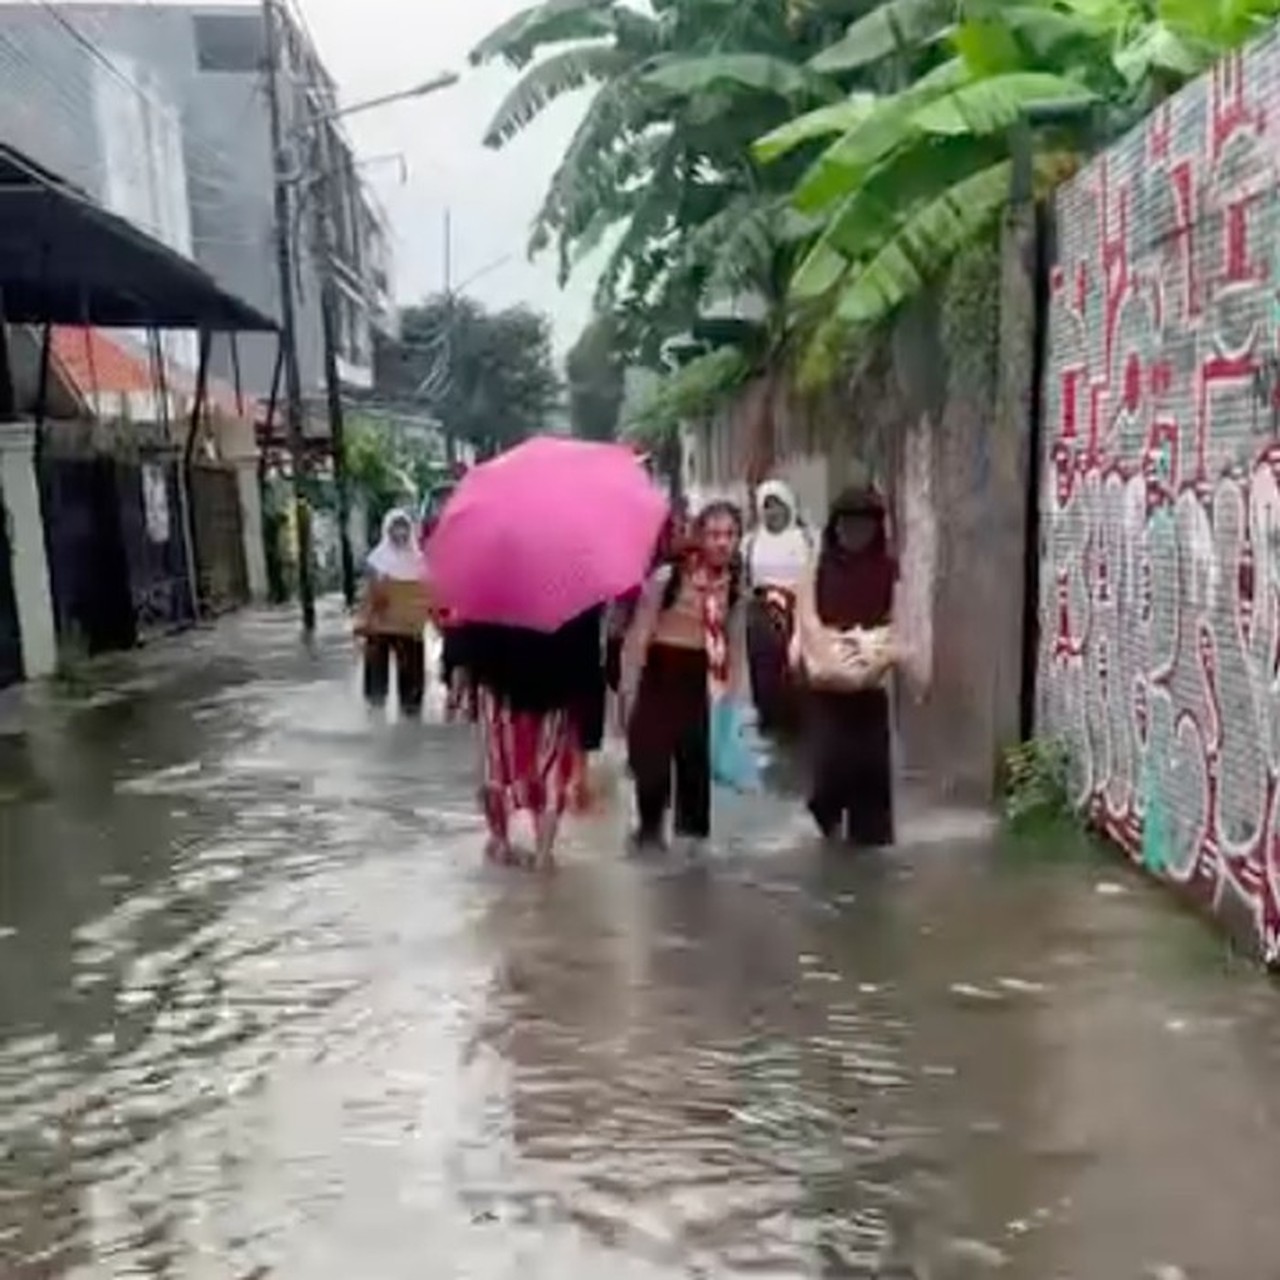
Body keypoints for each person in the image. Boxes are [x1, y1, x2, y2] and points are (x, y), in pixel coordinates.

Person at [620, 500, 748, 853]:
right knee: (652, 774)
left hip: (697, 683)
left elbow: (735, 643)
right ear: (699, 536)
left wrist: (734, 704)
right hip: (659, 678)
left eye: (730, 534)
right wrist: (627, 696)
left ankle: (692, 866)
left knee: (694, 776)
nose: (722, 543)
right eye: (714, 534)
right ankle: (648, 845)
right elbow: (639, 635)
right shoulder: (670, 577)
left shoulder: (734, 584)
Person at [455, 607, 605, 869]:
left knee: (497, 769)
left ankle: (501, 843)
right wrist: (588, 741)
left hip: (500, 690)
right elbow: (589, 662)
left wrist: (463, 681)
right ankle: (544, 853)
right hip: (555, 694)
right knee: (550, 775)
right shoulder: (576, 594)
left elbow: (471, 642)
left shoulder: (492, 587)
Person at [794, 485, 898, 846]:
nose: (856, 534)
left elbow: (900, 626)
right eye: (849, 525)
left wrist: (873, 659)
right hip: (826, 689)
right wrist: (832, 660)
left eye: (865, 527)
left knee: (871, 786)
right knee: (828, 775)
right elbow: (807, 622)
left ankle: (865, 867)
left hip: (870, 689)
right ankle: (828, 825)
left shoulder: (889, 571)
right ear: (835, 527)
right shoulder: (817, 569)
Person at [743, 479, 812, 733]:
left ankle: (797, 717)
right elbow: (745, 581)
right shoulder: (751, 541)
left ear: (789, 507)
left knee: (794, 664)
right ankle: (768, 716)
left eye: (778, 506)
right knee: (764, 666)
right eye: (767, 506)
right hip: (762, 613)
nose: (773, 512)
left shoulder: (803, 539)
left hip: (796, 609)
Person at [357, 508, 428, 716]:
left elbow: (428, 594)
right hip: (381, 625)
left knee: (412, 675)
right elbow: (369, 594)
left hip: (409, 627)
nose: (400, 533)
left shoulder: (420, 561)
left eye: (404, 528)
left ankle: (411, 714)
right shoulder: (376, 560)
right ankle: (375, 715)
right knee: (376, 674)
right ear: (386, 531)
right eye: (395, 528)